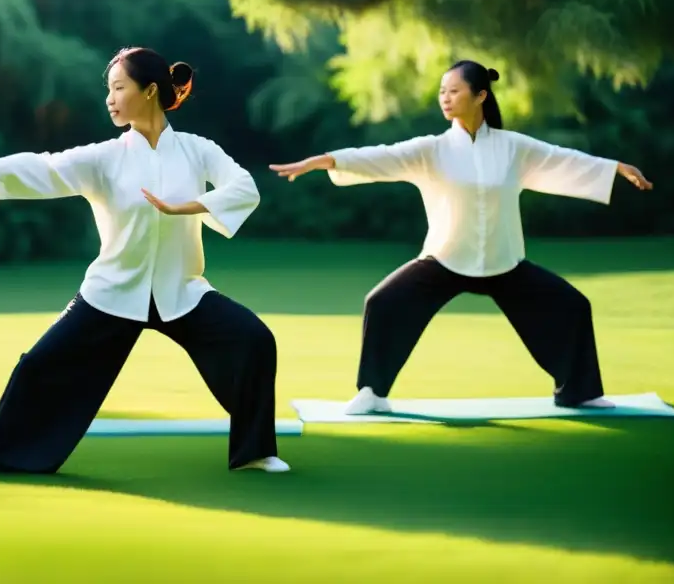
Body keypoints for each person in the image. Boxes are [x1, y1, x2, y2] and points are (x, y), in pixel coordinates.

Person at [0, 47, 288, 480]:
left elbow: (243, 186)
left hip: (181, 290)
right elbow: (46, 167)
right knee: (39, 364)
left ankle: (253, 450)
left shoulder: (197, 150)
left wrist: (188, 207)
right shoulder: (106, 157)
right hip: (112, 292)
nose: (110, 99)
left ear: (150, 91)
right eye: (109, 90)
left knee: (254, 340)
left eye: (119, 88)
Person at [269, 60, 653, 415]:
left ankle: (580, 392)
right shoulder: (432, 150)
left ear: (480, 95)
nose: (445, 99)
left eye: (453, 91)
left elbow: (562, 159)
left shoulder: (513, 147)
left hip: (504, 262)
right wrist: (324, 161)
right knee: (383, 302)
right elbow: (379, 155)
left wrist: (615, 168)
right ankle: (372, 392)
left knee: (571, 305)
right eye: (442, 92)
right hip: (445, 258)